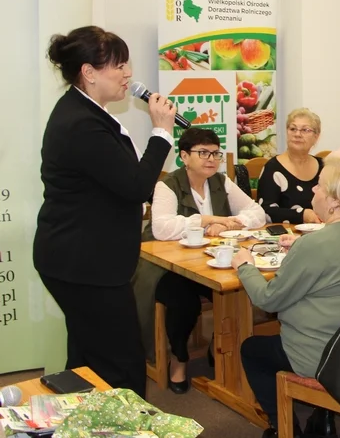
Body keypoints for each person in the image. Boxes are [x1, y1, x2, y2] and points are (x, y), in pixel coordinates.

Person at [34, 26, 176, 398]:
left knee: (88, 357)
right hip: (84, 264)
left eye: (127, 64)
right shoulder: (82, 123)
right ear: (89, 72)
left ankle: (80, 421)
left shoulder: (87, 112)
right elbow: (135, 185)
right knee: (122, 363)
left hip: (82, 259)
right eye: (118, 65)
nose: (128, 73)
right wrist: (161, 132)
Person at [234, 158, 340, 438]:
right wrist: (302, 248)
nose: (313, 192)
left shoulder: (315, 244)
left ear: (334, 200)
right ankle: (321, 416)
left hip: (320, 355)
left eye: (319, 187)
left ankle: (285, 428)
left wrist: (244, 265)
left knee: (251, 350)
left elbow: (268, 299)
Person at [137, 128, 266, 393]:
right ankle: (179, 358)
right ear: (184, 156)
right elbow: (161, 228)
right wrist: (207, 220)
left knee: (239, 290)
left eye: (215, 153)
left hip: (210, 262)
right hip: (165, 267)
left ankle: (222, 346)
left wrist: (233, 222)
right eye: (202, 153)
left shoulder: (221, 181)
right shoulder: (167, 185)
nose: (211, 159)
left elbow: (257, 213)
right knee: (182, 301)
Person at [258, 108, 324, 224]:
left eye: (305, 130)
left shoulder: (324, 167)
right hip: (287, 237)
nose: (297, 134)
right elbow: (266, 212)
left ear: (316, 136)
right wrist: (301, 215)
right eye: (293, 129)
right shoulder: (272, 168)